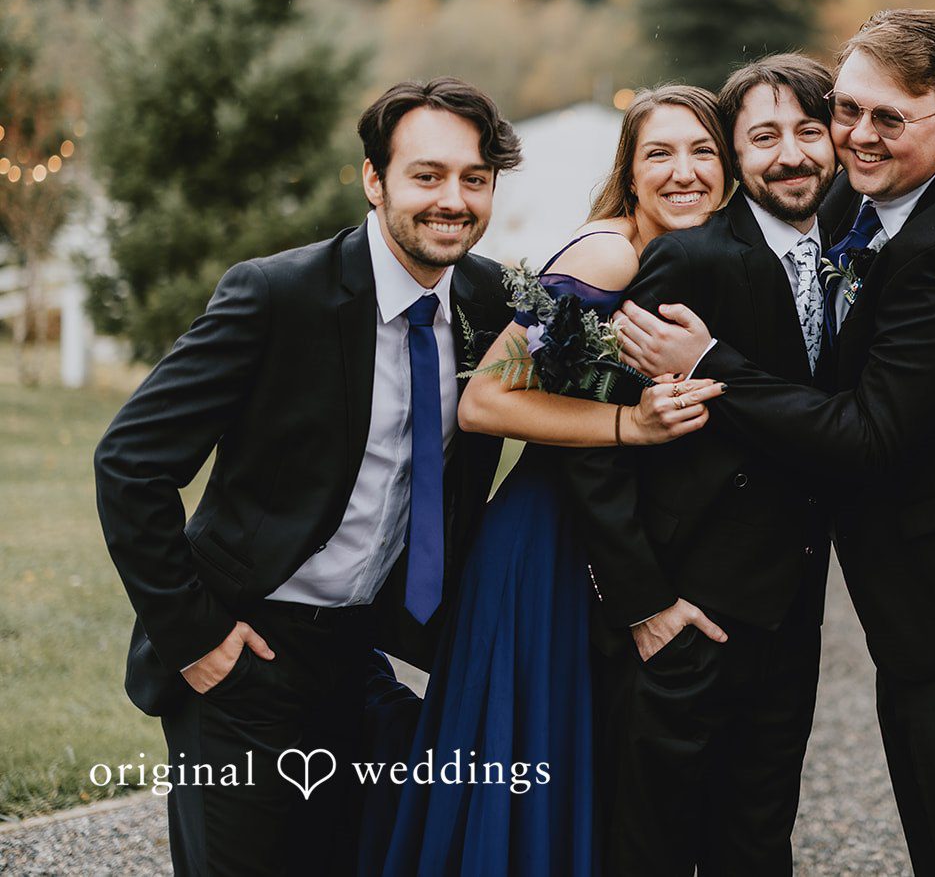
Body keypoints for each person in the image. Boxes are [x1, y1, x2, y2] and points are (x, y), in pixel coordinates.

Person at [617, 10, 935, 875]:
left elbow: (870, 432)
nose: (855, 137)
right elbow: (738, 208)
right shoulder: (855, 195)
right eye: (849, 109)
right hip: (915, 615)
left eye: (887, 119)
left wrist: (710, 362)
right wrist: (615, 240)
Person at [95, 78, 522, 876]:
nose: (452, 199)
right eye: (426, 175)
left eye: (474, 178)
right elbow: (129, 463)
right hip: (246, 649)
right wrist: (197, 639)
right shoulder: (276, 295)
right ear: (374, 179)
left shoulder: (491, 302)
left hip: (365, 654)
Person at [376, 84, 731, 877]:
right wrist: (626, 424)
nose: (684, 171)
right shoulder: (610, 254)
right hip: (544, 542)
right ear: (629, 172)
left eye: (703, 151)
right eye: (659, 154)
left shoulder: (693, 257)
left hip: (600, 542)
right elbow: (485, 399)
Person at [572, 54, 837, 875]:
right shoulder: (688, 259)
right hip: (682, 609)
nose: (789, 152)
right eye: (764, 134)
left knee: (759, 835)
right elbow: (594, 441)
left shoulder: (849, 250)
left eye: (809, 130)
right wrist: (644, 603)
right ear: (741, 152)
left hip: (789, 608)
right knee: (649, 840)